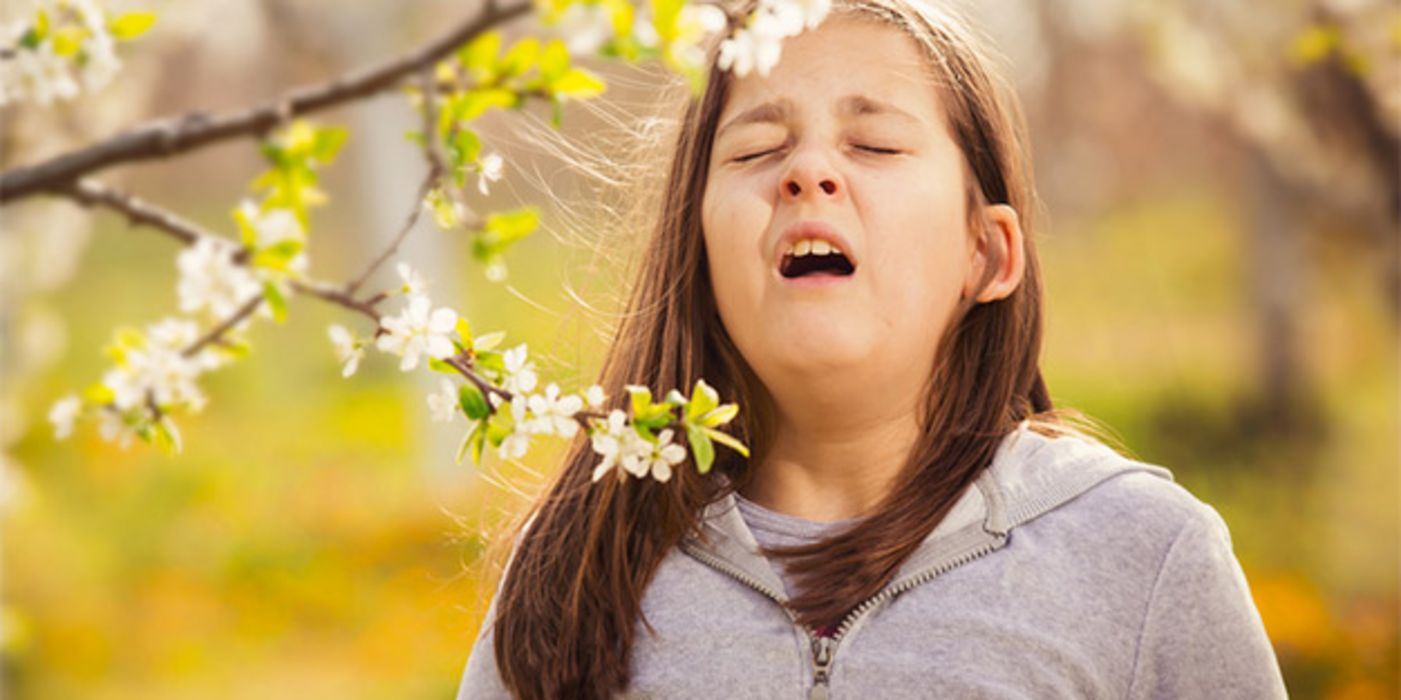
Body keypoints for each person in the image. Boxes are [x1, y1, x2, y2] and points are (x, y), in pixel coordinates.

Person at [456, 0, 1290, 697]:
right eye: (755, 151)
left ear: (986, 254)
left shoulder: (1140, 556)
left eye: (876, 146)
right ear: (698, 249)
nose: (807, 171)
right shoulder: (578, 564)